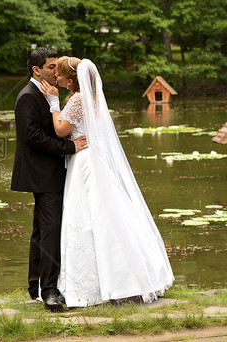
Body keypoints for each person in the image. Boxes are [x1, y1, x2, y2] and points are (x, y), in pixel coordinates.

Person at [39, 57, 174, 307]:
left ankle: (97, 286)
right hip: (91, 157)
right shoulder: (92, 98)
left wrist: (53, 102)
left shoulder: (77, 99)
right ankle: (121, 278)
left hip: (85, 162)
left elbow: (60, 130)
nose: (56, 78)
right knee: (103, 214)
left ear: (70, 80)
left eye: (59, 75)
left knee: (88, 216)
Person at [11, 47, 88, 309]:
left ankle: (36, 286)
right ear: (37, 70)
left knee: (41, 233)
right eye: (52, 67)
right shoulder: (27, 97)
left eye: (57, 67)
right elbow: (33, 137)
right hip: (42, 174)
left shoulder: (48, 93)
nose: (57, 71)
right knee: (50, 232)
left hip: (53, 172)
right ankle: (51, 292)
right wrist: (69, 147)